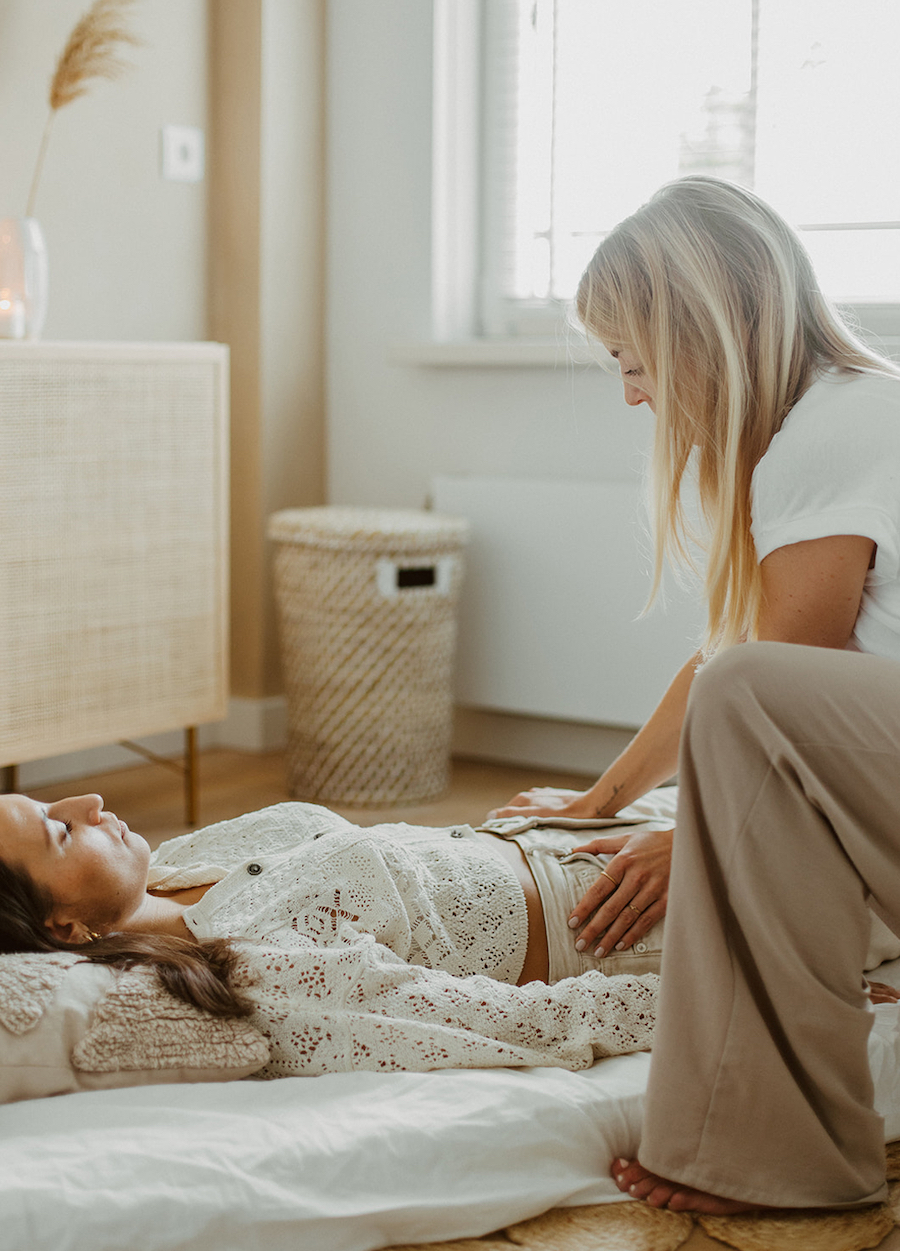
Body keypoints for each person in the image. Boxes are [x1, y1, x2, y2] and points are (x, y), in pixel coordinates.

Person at [490, 175, 900, 1211]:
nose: (631, 393)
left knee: (753, 695)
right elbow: (739, 666)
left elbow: (768, 694)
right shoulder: (843, 414)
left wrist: (693, 840)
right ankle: (786, 1152)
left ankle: (759, 1150)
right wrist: (604, 796)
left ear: (709, 328)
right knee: (747, 687)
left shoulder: (841, 423)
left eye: (634, 360)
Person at [0, 788, 660, 1078]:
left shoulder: (177, 867)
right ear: (65, 928)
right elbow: (499, 1022)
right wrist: (691, 1002)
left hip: (581, 845)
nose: (87, 803)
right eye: (60, 832)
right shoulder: (248, 965)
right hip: (631, 918)